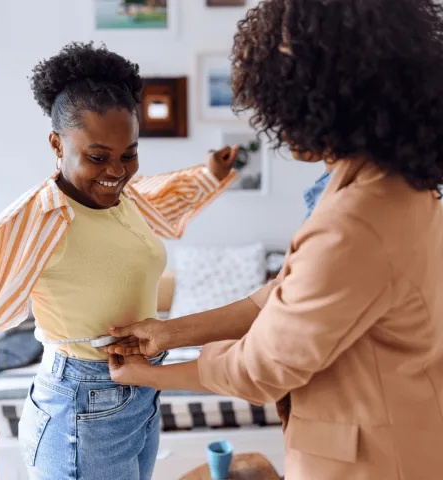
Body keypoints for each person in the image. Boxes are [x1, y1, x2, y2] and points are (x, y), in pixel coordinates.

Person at [105, 1, 443, 478]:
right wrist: (170, 332)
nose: (276, 128)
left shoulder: (356, 224)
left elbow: (259, 369)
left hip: (378, 461)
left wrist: (151, 375)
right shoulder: (395, 185)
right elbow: (280, 297)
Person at [0, 42, 238, 479]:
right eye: (97, 157)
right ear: (56, 142)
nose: (117, 170)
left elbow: (162, 198)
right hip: (80, 402)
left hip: (140, 390)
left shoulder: (124, 199)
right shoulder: (37, 218)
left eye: (128, 153)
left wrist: (210, 175)